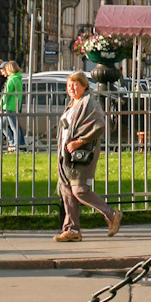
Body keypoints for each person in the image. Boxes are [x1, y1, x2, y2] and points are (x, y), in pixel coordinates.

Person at [54, 71, 122, 243]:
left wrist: (79, 141)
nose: (71, 88)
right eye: (69, 85)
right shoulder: (73, 103)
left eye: (75, 84)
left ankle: (112, 214)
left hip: (82, 154)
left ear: (84, 85)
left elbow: (99, 125)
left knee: (79, 190)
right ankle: (72, 229)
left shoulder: (89, 102)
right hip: (67, 154)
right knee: (67, 190)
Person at [0, 60, 23, 150]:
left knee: (13, 127)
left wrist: (0, 105)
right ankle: (13, 143)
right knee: (2, 125)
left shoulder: (11, 79)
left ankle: (15, 145)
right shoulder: (18, 78)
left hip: (9, 106)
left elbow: (6, 94)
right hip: (14, 105)